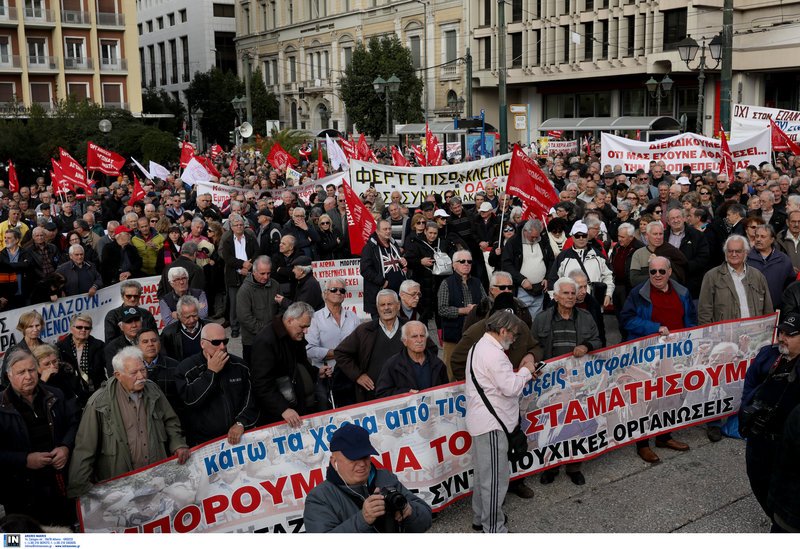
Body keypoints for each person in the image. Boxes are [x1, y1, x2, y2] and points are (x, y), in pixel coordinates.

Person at [67, 347, 191, 497]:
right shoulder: (99, 403)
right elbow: (85, 447)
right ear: (118, 375)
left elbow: (170, 421)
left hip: (157, 477)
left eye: (143, 370)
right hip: (121, 485)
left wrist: (178, 444)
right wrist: (79, 487)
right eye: (134, 373)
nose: (141, 376)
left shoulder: (152, 389)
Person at [465, 311, 539, 533]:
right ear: (503, 330)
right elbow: (511, 387)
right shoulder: (494, 354)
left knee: (483, 476)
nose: (514, 340)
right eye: (514, 335)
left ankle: (480, 519)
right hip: (492, 425)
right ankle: (494, 528)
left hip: (483, 422)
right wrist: (526, 371)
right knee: (495, 481)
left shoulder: (479, 347)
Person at [619, 256, 696, 462]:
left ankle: (664, 436)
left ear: (670, 272)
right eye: (653, 272)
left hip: (674, 354)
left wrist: (690, 341)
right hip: (647, 354)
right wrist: (655, 328)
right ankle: (642, 443)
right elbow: (626, 319)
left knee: (670, 394)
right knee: (646, 398)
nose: (657, 275)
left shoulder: (683, 292)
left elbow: (690, 321)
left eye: (662, 271)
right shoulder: (638, 294)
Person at [531, 277, 601, 484]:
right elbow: (533, 346)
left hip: (577, 381)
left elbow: (598, 339)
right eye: (566, 293)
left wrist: (587, 346)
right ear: (555, 296)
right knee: (552, 424)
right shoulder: (542, 319)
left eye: (573, 293)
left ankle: (574, 467)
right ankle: (551, 467)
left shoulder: (586, 317)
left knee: (576, 424)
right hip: (550, 383)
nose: (570, 297)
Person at [0, 349, 80, 527]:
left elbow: (74, 424)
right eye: (21, 372)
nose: (28, 376)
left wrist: (66, 447)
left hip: (59, 485)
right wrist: (25, 460)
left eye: (31, 370)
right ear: (9, 375)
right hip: (21, 493)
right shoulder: (2, 406)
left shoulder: (55, 394)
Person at [303, 423, 432, 533]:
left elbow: (426, 519)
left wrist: (410, 512)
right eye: (353, 458)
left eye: (365, 456)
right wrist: (362, 520)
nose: (362, 464)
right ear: (334, 462)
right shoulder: (319, 498)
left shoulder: (384, 477)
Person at [740, 313, 800, 525]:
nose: (782, 338)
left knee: (782, 490)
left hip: (785, 444)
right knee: (757, 479)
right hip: (758, 437)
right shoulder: (768, 354)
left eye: (790, 335)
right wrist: (747, 409)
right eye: (781, 332)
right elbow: (750, 381)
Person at [175, 323, 259, 446]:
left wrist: (241, 423)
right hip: (204, 442)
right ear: (203, 344)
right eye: (216, 342)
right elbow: (191, 401)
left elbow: (251, 399)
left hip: (239, 438)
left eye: (225, 341)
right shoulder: (186, 368)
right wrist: (211, 373)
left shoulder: (240, 365)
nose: (222, 347)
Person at [335, 290, 412, 404]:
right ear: (377, 308)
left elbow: (430, 351)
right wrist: (357, 375)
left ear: (398, 305)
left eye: (390, 304)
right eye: (382, 305)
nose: (386, 308)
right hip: (372, 396)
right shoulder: (364, 331)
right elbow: (341, 353)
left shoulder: (411, 327)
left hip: (406, 394)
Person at [250, 302, 318, 427]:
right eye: (303, 326)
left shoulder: (295, 335)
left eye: (307, 326)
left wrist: (316, 372)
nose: (306, 331)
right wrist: (283, 409)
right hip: (280, 414)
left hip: (299, 402)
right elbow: (261, 383)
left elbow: (300, 363)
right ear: (290, 320)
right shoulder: (266, 341)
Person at [305, 278, 360, 409]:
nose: (338, 292)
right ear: (325, 294)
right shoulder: (315, 318)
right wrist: (340, 354)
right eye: (334, 289)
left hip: (351, 375)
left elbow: (360, 345)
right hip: (327, 377)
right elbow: (310, 350)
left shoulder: (353, 317)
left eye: (342, 290)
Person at [698, 235, 773, 325]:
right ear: (725, 253)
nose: (733, 254)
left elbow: (768, 310)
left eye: (738, 251)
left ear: (745, 252)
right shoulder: (712, 277)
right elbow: (704, 312)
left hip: (755, 333)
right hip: (725, 335)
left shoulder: (758, 276)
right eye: (730, 251)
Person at [438, 250, 487, 374]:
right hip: (453, 335)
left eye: (469, 261)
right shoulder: (446, 283)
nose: (466, 264)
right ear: (454, 265)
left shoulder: (477, 282)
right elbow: (442, 309)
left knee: (476, 368)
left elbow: (487, 304)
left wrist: (478, 308)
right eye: (462, 261)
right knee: (451, 369)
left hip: (475, 334)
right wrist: (464, 310)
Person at [548, 221, 614, 309]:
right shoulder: (563, 257)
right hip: (568, 305)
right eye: (577, 236)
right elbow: (553, 280)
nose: (581, 238)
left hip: (593, 304)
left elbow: (609, 276)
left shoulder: (599, 256)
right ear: (572, 237)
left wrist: (608, 294)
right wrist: (555, 299)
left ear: (588, 237)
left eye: (584, 235)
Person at [375, 320, 449, 397]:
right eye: (414, 336)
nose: (419, 340)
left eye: (422, 336)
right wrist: (405, 393)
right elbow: (381, 393)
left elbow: (446, 391)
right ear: (404, 341)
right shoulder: (393, 365)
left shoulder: (437, 363)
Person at [502, 219, 555, 320]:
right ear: (525, 231)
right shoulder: (513, 242)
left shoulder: (542, 239)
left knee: (536, 320)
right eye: (532, 237)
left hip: (540, 289)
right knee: (520, 319)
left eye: (537, 236)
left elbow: (551, 260)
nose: (535, 239)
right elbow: (506, 264)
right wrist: (521, 280)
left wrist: (547, 277)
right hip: (521, 289)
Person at [219, 213, 259, 338]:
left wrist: (250, 265)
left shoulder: (251, 237)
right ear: (231, 227)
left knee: (252, 301)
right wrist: (242, 265)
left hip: (250, 273)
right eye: (236, 225)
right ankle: (235, 327)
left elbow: (257, 252)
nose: (239, 227)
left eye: (241, 224)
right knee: (235, 303)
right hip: (234, 275)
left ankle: (252, 326)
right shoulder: (227, 240)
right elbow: (228, 258)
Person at [236, 256, 279, 365]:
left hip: (274, 338)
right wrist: (266, 332)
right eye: (262, 273)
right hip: (253, 341)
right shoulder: (245, 290)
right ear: (254, 272)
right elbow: (245, 318)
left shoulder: (275, 285)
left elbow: (281, 308)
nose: (266, 277)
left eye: (268, 273)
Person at [361, 219, 407, 318]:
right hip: (379, 293)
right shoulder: (369, 248)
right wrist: (382, 282)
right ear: (377, 231)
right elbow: (365, 270)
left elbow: (396, 263)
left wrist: (402, 262)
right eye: (385, 229)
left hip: (396, 293)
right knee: (380, 326)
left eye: (389, 229)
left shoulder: (393, 244)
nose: (388, 231)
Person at [746, 224, 794, 310]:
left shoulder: (783, 260)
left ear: (772, 239)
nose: (758, 239)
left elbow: (790, 285)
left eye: (763, 237)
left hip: (776, 308)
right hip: (750, 308)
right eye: (757, 236)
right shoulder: (745, 258)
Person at [161, 295, 209, 363]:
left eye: (194, 315)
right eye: (187, 317)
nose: (192, 320)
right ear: (179, 316)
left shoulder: (209, 327)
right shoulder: (168, 333)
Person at [0, 227, 33, 309]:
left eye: (9, 238)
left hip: (24, 293)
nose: (6, 240)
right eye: (5, 238)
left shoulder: (25, 252)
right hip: (7, 296)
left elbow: (27, 265)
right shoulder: (1, 254)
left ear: (17, 240)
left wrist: (8, 265)